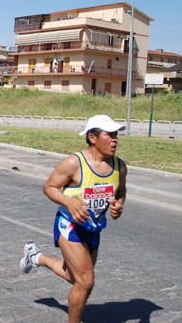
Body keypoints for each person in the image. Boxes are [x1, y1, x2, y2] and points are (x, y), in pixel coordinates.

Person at [19, 115, 127, 323]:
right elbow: (49, 187)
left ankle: (36, 257)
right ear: (93, 138)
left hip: (94, 229)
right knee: (85, 282)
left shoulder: (119, 167)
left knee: (73, 277)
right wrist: (70, 203)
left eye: (116, 135)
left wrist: (119, 204)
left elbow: (121, 191)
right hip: (70, 226)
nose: (115, 139)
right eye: (109, 135)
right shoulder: (73, 163)